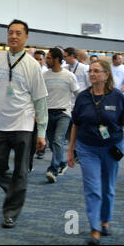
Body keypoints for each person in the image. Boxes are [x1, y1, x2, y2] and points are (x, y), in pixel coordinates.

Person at [0, 19, 48, 228]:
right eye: (10, 33)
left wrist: (41, 131)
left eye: (18, 33)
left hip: (23, 124)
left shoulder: (33, 65)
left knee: (22, 171)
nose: (13, 36)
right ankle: (16, 192)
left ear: (26, 37)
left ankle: (11, 212)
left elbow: (41, 101)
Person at [66, 59, 124, 245]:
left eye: (97, 71)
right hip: (87, 148)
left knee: (108, 189)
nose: (92, 74)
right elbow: (75, 124)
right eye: (90, 71)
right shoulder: (83, 97)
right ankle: (95, 228)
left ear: (106, 75)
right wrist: (70, 150)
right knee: (93, 189)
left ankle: (105, 220)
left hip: (111, 147)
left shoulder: (117, 97)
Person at [43, 48, 79, 183]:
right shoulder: (44, 75)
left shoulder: (69, 76)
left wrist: (79, 111)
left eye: (49, 58)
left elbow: (78, 95)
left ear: (57, 59)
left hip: (64, 113)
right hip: (48, 112)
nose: (47, 60)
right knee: (52, 143)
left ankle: (52, 169)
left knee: (58, 140)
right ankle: (62, 162)